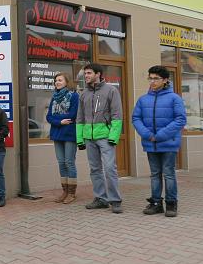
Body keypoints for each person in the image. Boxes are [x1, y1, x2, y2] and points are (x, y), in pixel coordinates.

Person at [132, 65, 187, 218]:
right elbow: (136, 118)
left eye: (156, 78)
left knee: (168, 174)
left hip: (168, 143)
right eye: (150, 78)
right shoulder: (143, 99)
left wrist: (160, 135)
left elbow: (180, 119)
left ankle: (171, 203)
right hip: (151, 143)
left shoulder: (174, 98)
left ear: (165, 80)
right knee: (155, 174)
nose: (152, 81)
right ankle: (156, 203)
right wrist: (147, 134)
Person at [77, 63, 124, 214]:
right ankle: (100, 199)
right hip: (89, 138)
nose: (86, 76)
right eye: (85, 74)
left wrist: (113, 137)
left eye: (89, 73)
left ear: (98, 74)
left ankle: (115, 200)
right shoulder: (84, 93)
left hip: (105, 137)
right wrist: (80, 139)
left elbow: (117, 115)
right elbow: (80, 118)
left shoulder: (111, 90)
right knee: (95, 169)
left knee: (110, 169)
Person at [46, 73, 80, 204]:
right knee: (61, 162)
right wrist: (60, 121)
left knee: (69, 162)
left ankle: (72, 193)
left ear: (67, 82)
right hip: (57, 133)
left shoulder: (74, 96)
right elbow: (48, 117)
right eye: (55, 81)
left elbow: (72, 114)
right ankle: (64, 191)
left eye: (60, 80)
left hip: (70, 134)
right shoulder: (54, 98)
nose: (57, 82)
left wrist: (56, 119)